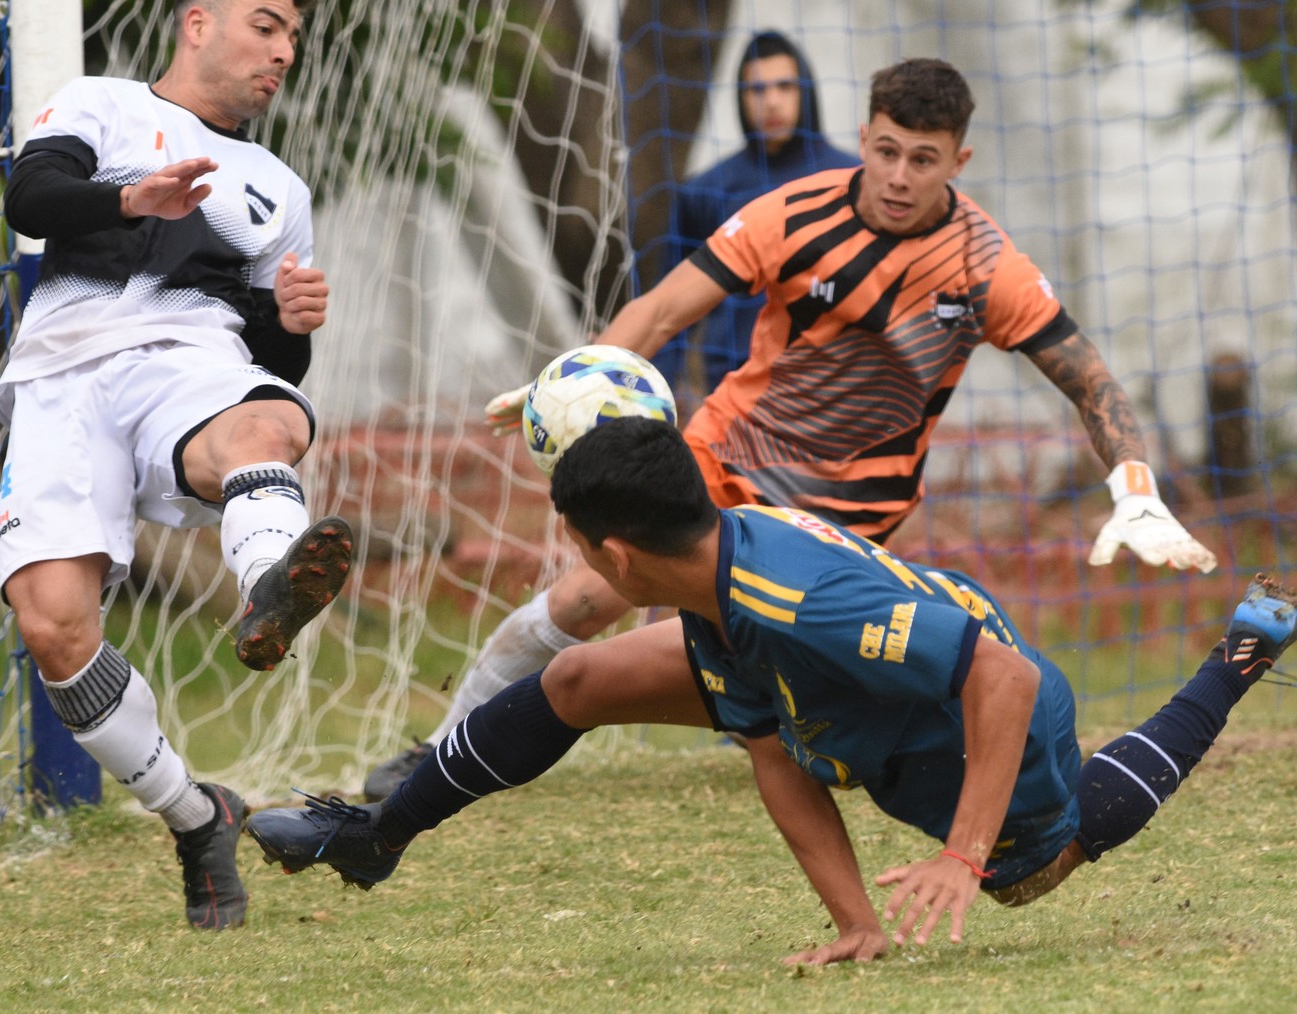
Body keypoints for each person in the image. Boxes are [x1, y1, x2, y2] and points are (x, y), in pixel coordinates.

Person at [361, 56, 1216, 801]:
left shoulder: (987, 267)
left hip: (850, 518)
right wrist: (575, 375)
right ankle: (439, 755)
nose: (898, 176)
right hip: (725, 460)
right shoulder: (792, 214)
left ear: (957, 161)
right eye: (886, 151)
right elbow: (661, 311)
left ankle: (794, 729)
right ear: (863, 138)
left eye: (922, 160)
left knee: (796, 679)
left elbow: (1090, 381)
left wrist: (1135, 489)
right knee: (585, 598)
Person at [247, 417, 1297, 964]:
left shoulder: (793, 605)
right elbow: (767, 744)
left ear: (615, 556)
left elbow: (1005, 672)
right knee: (575, 677)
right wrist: (856, 922)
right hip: (840, 692)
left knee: (1036, 864)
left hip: (978, 726)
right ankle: (379, 835)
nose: (571, 559)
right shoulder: (713, 577)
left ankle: (1236, 656)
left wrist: (958, 854)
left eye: (572, 542)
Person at [0, 0, 349, 930]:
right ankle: (198, 816)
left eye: (293, 37)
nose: (283, 52)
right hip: (60, 378)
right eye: (266, 26)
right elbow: (30, 200)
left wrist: (291, 324)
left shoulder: (279, 189)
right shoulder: (101, 104)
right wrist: (129, 198)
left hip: (188, 367)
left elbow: (273, 365)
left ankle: (270, 582)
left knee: (266, 424)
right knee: (54, 628)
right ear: (198, 23)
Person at [653, 30, 859, 396]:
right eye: (758, 90)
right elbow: (670, 307)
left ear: (806, 89)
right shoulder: (706, 190)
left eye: (785, 86)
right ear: (741, 96)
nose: (772, 101)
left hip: (833, 386)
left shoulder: (854, 181)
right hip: (733, 388)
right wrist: (654, 391)